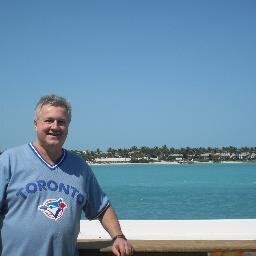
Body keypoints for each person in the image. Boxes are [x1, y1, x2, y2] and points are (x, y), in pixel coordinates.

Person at [0, 94, 134, 256]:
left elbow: (102, 207)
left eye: (61, 122)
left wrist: (118, 237)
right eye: (48, 120)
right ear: (36, 124)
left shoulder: (80, 167)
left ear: (68, 127)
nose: (55, 127)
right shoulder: (9, 160)